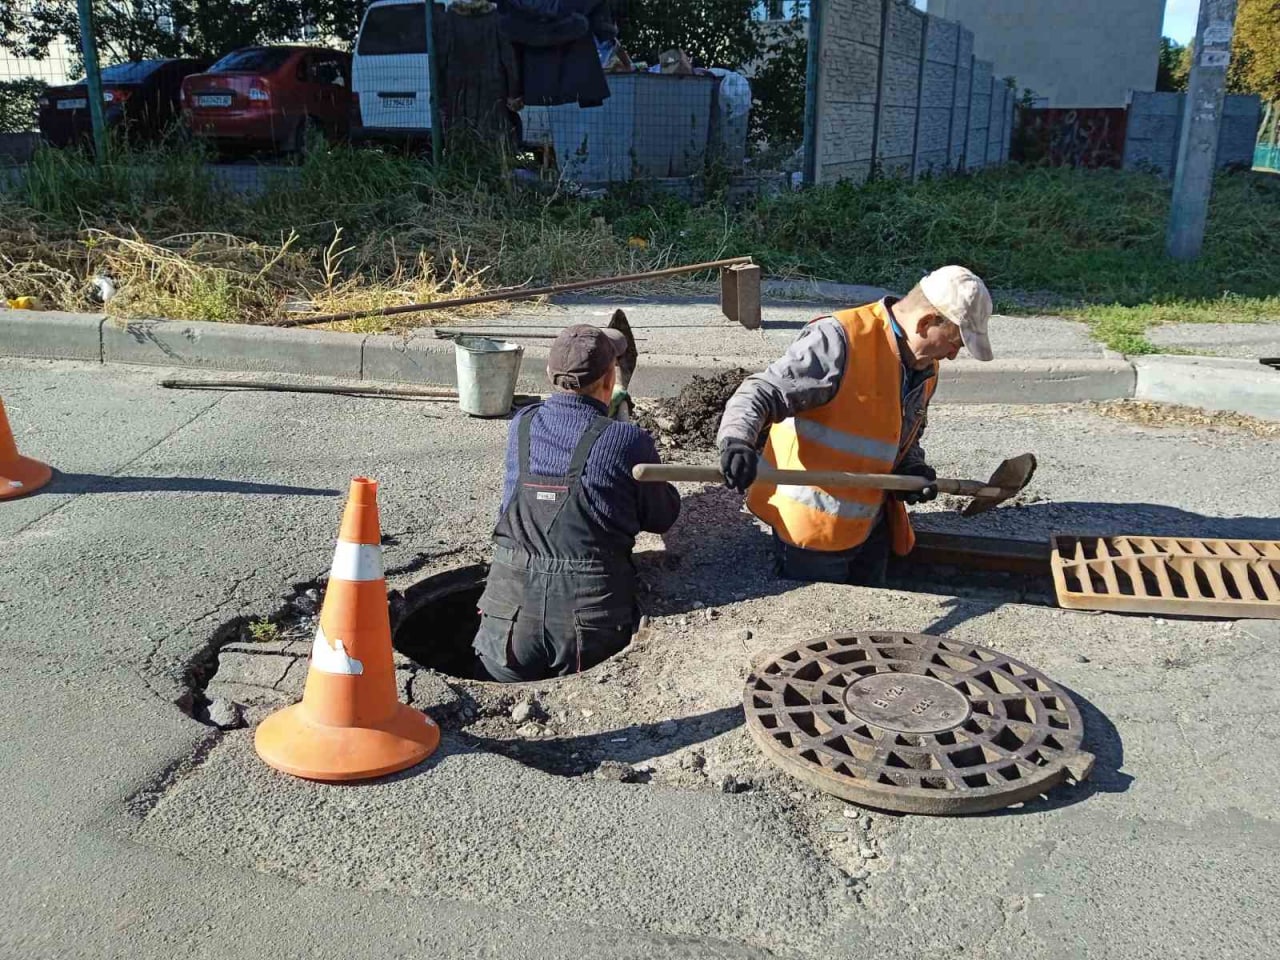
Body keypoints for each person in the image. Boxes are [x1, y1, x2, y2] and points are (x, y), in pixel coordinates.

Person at [715, 265, 994, 586]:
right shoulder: (840, 341)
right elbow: (762, 392)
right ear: (927, 322)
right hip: (814, 532)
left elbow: (903, 434)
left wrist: (912, 468)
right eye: (955, 343)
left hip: (871, 523)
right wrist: (737, 441)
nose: (954, 355)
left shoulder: (926, 367)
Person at [472, 323, 680, 682]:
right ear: (610, 378)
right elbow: (662, 517)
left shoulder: (522, 424)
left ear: (550, 375)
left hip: (507, 618)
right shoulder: (627, 440)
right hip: (589, 622)